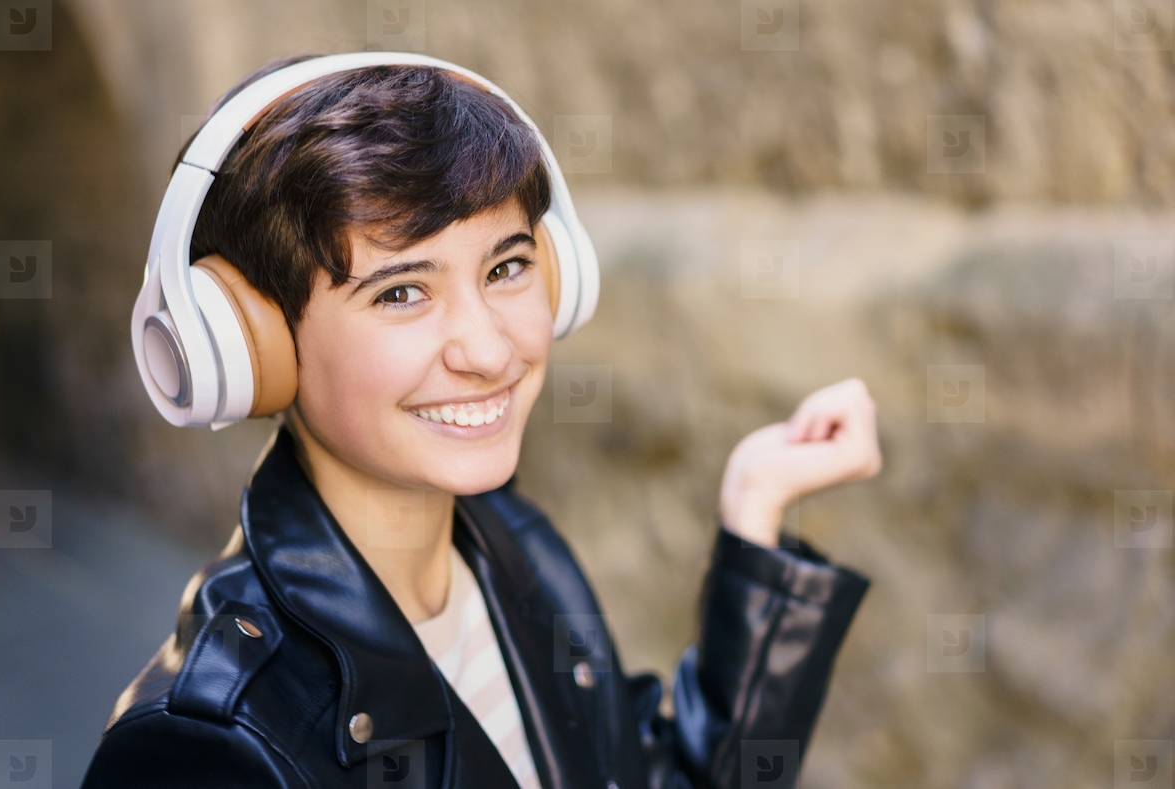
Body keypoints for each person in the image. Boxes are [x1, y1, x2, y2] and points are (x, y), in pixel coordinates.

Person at [82, 53, 881, 789]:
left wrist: (755, 519)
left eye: (507, 267)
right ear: (251, 348)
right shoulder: (209, 745)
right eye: (402, 292)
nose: (491, 350)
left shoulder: (515, 547)